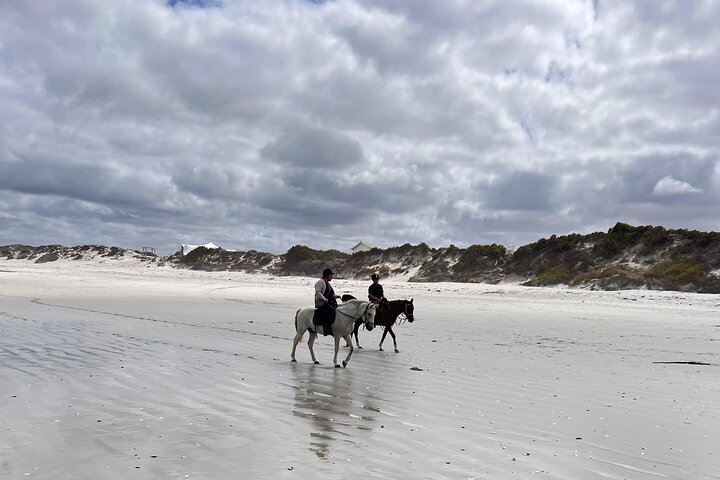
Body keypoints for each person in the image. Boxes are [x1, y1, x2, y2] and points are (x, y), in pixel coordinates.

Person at [314, 268, 340, 336]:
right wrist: (324, 299)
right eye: (331, 275)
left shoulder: (328, 284)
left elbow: (332, 294)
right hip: (321, 303)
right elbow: (318, 292)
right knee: (329, 311)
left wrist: (336, 296)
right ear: (326, 275)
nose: (332, 277)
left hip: (328, 302)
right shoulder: (320, 282)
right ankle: (326, 328)